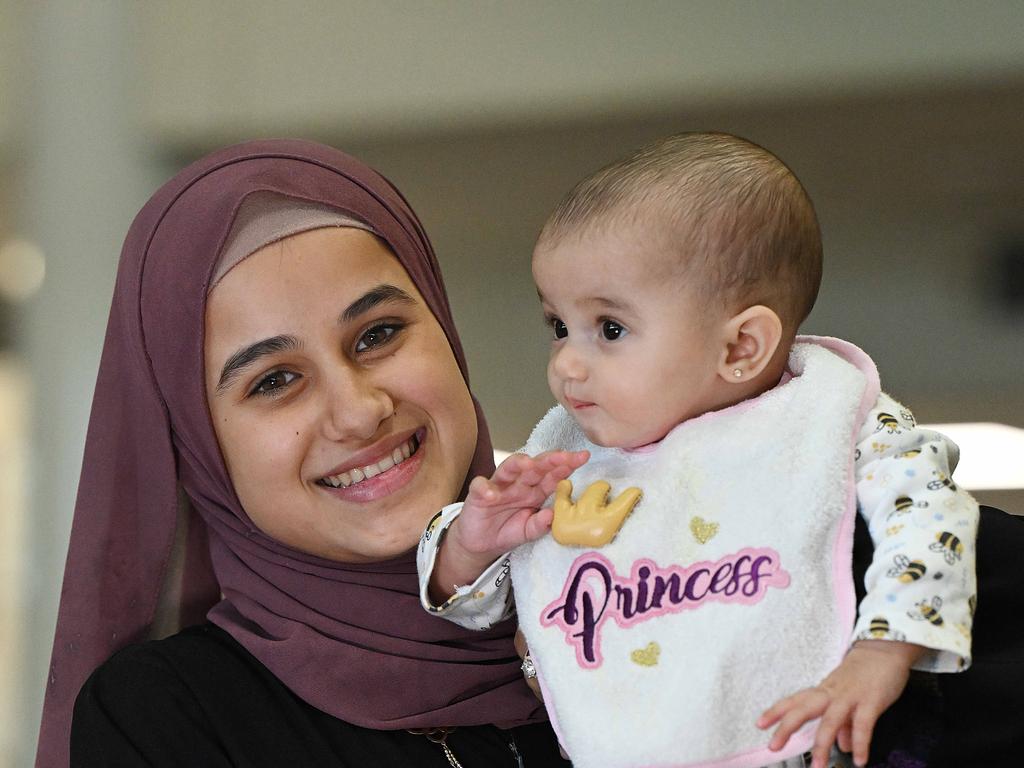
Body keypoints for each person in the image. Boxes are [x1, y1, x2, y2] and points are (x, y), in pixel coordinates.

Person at [416, 133, 980, 768]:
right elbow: (477, 605)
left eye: (610, 328)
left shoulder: (825, 419)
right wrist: (471, 542)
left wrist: (884, 650)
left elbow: (931, 519)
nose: (567, 363)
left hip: (796, 739)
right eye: (557, 327)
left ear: (740, 348)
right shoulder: (567, 453)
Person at [36, 139, 571, 767]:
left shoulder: (625, 600)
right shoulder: (166, 715)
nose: (359, 410)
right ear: (200, 445)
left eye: (378, 334)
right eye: (273, 380)